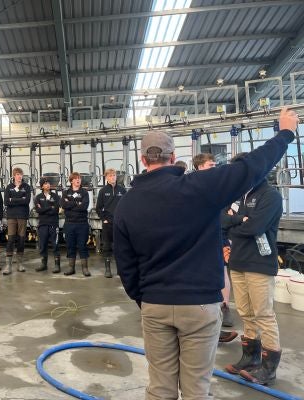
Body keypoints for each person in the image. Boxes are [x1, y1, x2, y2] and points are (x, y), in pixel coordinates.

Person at [113, 107, 298, 400]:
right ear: (173, 158)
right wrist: (285, 133)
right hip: (199, 305)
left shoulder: (126, 205)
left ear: (142, 159)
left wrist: (145, 298)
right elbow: (250, 166)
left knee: (159, 389)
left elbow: (125, 265)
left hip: (154, 304)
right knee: (197, 388)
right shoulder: (201, 187)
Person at [223, 155, 284, 385]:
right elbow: (220, 219)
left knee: (264, 314)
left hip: (259, 264)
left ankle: (268, 368)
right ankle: (250, 358)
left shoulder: (271, 196)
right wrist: (239, 220)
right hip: (238, 261)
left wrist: (233, 223)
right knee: (246, 313)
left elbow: (255, 227)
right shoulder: (240, 196)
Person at [193, 153, 237, 343]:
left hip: (221, 236)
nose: (214, 167)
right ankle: (202, 314)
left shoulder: (220, 185)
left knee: (223, 271)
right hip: (200, 236)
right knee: (201, 273)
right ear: (199, 167)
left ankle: (224, 307)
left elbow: (229, 210)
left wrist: (231, 217)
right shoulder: (192, 185)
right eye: (210, 165)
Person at [95, 168, 126, 278]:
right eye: (110, 176)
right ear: (106, 178)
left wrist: (123, 219)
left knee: (120, 246)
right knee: (107, 245)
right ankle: (107, 269)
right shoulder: (103, 191)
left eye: (114, 175)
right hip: (108, 223)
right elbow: (98, 208)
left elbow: (126, 207)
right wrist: (104, 219)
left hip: (119, 224)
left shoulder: (122, 190)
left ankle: (120, 269)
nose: (112, 177)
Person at [61, 172, 91, 277]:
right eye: (76, 178)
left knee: (82, 245)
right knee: (70, 245)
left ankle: (85, 268)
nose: (78, 180)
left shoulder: (84, 192)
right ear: (71, 180)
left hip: (82, 223)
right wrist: (76, 203)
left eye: (79, 178)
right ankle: (71, 268)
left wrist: (70, 203)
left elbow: (84, 206)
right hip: (69, 223)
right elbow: (63, 205)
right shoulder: (66, 192)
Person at [3, 167, 31, 275]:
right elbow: (6, 202)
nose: (19, 176)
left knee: (21, 239)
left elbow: (27, 201)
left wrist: (12, 199)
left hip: (22, 216)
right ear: (14, 176)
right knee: (10, 239)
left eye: (21, 174)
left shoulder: (26, 187)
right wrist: (20, 199)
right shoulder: (9, 187)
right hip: (11, 217)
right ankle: (8, 265)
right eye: (17, 174)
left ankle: (20, 264)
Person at [34, 178, 61, 273]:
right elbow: (38, 210)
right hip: (42, 224)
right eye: (45, 183)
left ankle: (57, 265)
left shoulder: (56, 196)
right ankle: (43, 264)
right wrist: (50, 207)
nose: (47, 185)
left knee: (55, 244)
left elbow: (56, 209)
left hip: (53, 223)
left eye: (48, 183)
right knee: (43, 244)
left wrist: (45, 208)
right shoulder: (38, 197)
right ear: (42, 186)